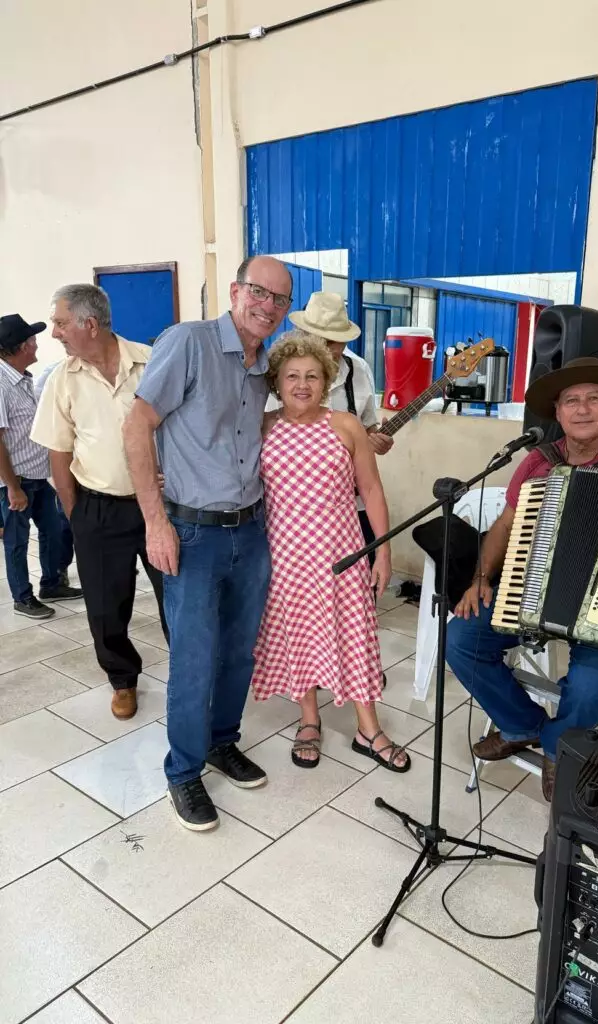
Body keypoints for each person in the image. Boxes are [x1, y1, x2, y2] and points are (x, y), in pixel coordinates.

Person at [445, 357, 598, 801]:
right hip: (528, 587)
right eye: (571, 401)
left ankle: (559, 746)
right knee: (461, 638)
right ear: (557, 412)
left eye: (593, 398)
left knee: (591, 688)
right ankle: (523, 725)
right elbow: (505, 524)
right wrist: (481, 577)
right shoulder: (538, 463)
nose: (581, 409)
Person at [122, 255, 291, 832]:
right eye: (259, 293)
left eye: (279, 300)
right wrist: (155, 521)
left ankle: (222, 741)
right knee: (195, 658)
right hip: (191, 531)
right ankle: (184, 771)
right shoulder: (188, 342)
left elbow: (247, 435)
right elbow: (137, 425)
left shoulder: (264, 366)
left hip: (252, 528)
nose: (267, 306)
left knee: (240, 651)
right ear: (236, 290)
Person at [251, 331, 411, 773]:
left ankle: (368, 729)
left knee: (354, 636)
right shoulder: (263, 427)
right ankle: (308, 720)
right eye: (291, 376)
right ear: (277, 383)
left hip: (341, 550)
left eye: (312, 376)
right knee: (297, 634)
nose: (302, 385)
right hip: (284, 554)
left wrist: (382, 552)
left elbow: (372, 489)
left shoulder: (345, 425)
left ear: (326, 382)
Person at [31, 285, 166, 720]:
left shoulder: (151, 362)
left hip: (159, 507)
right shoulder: (61, 380)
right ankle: (122, 680)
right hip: (98, 507)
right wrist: (78, 514)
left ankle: (192, 671)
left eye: (60, 322)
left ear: (90, 324)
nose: (55, 333)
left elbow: (181, 428)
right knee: (106, 606)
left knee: (178, 596)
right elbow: (58, 452)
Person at [269, 290, 394, 684]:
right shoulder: (268, 417)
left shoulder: (358, 371)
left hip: (343, 516)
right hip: (288, 539)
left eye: (336, 340)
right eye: (322, 338)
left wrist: (373, 438)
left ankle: (356, 678)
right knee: (301, 623)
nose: (330, 347)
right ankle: (314, 695)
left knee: (351, 614)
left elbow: (369, 438)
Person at [0, 314, 82, 619]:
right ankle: (23, 597)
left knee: (53, 531)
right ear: (21, 347)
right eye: (33, 341)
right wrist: (12, 487)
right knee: (17, 542)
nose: (37, 345)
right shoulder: (1, 383)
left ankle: (52, 583)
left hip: (37, 477)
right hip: (17, 481)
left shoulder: (23, 378)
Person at [34, 359, 75, 587]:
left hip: (91, 464)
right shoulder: (56, 372)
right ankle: (60, 568)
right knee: (65, 519)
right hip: (63, 462)